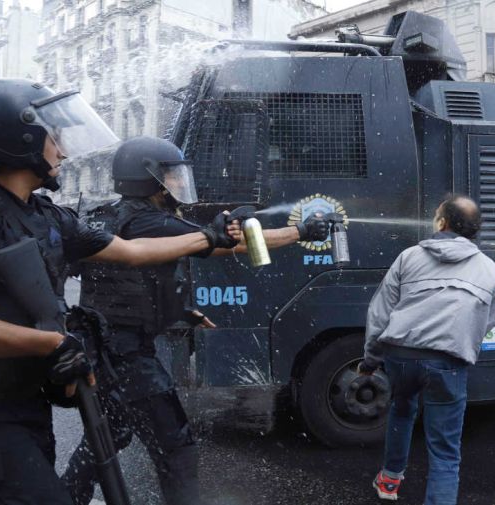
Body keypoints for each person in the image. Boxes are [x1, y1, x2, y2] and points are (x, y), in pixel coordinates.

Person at [0, 78, 243, 504]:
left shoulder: (46, 216)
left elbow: (131, 251)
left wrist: (208, 239)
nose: (61, 149)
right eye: (53, 136)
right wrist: (52, 344)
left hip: (17, 402)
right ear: (21, 138)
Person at [60, 136, 330, 505]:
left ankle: (66, 494)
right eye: (171, 176)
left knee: (111, 431)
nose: (178, 183)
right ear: (149, 178)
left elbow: (126, 284)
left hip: (105, 347)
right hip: (124, 354)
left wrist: (181, 312)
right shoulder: (147, 221)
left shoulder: (113, 214)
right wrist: (300, 231)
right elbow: (230, 245)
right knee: (177, 445)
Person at [358, 195, 495, 505]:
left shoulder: (409, 257)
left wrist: (371, 359)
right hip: (447, 362)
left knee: (402, 409)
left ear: (443, 223)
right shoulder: (488, 268)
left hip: (401, 356)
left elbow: (380, 312)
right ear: (475, 230)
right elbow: (486, 320)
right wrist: (461, 348)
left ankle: (390, 481)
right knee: (445, 451)